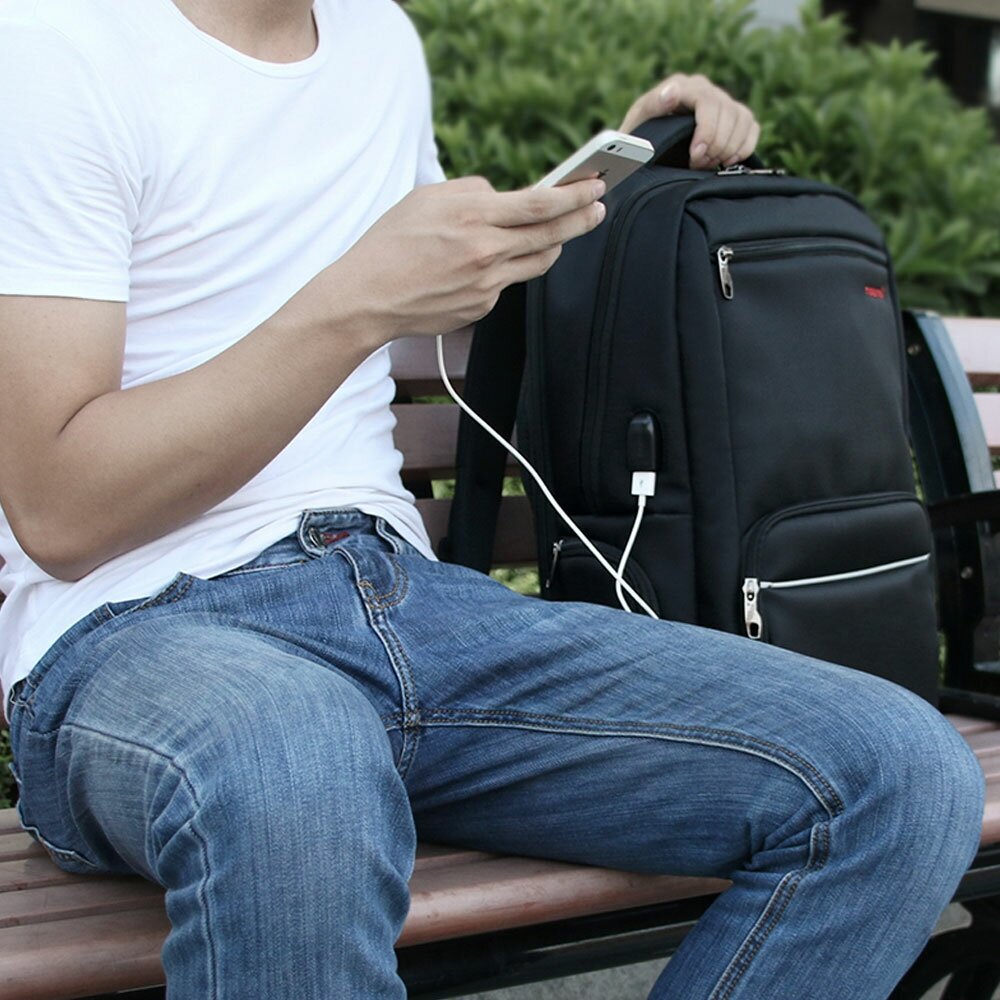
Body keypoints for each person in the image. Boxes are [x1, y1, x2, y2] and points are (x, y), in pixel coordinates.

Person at [0, 1, 985, 997]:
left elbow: (442, 281)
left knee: (894, 774)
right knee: (293, 763)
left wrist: (609, 179)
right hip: (137, 632)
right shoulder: (55, 45)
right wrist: (356, 302)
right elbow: (60, 512)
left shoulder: (376, 40)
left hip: (402, 602)